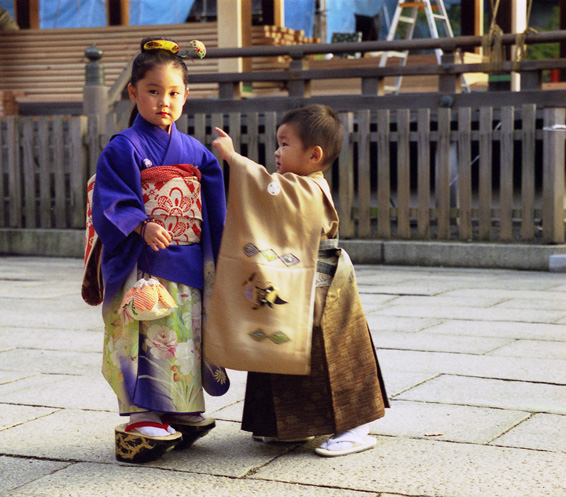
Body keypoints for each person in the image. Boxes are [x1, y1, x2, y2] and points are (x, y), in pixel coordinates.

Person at [206, 104, 389, 457]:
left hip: (324, 285)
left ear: (314, 154)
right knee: (281, 347)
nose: (276, 151)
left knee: (327, 353)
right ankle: (291, 425)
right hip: (300, 281)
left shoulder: (309, 188)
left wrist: (233, 159)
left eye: (285, 143)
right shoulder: (299, 184)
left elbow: (269, 191)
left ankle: (355, 425)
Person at [83, 36, 228, 463]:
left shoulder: (197, 153)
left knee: (184, 336)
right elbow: (110, 199)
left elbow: (215, 208)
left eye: (174, 93)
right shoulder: (122, 147)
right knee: (144, 334)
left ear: (186, 97)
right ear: (133, 92)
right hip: (141, 262)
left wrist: (219, 253)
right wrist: (142, 225)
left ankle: (179, 409)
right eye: (153, 91)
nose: (164, 101)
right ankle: (140, 414)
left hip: (185, 259)